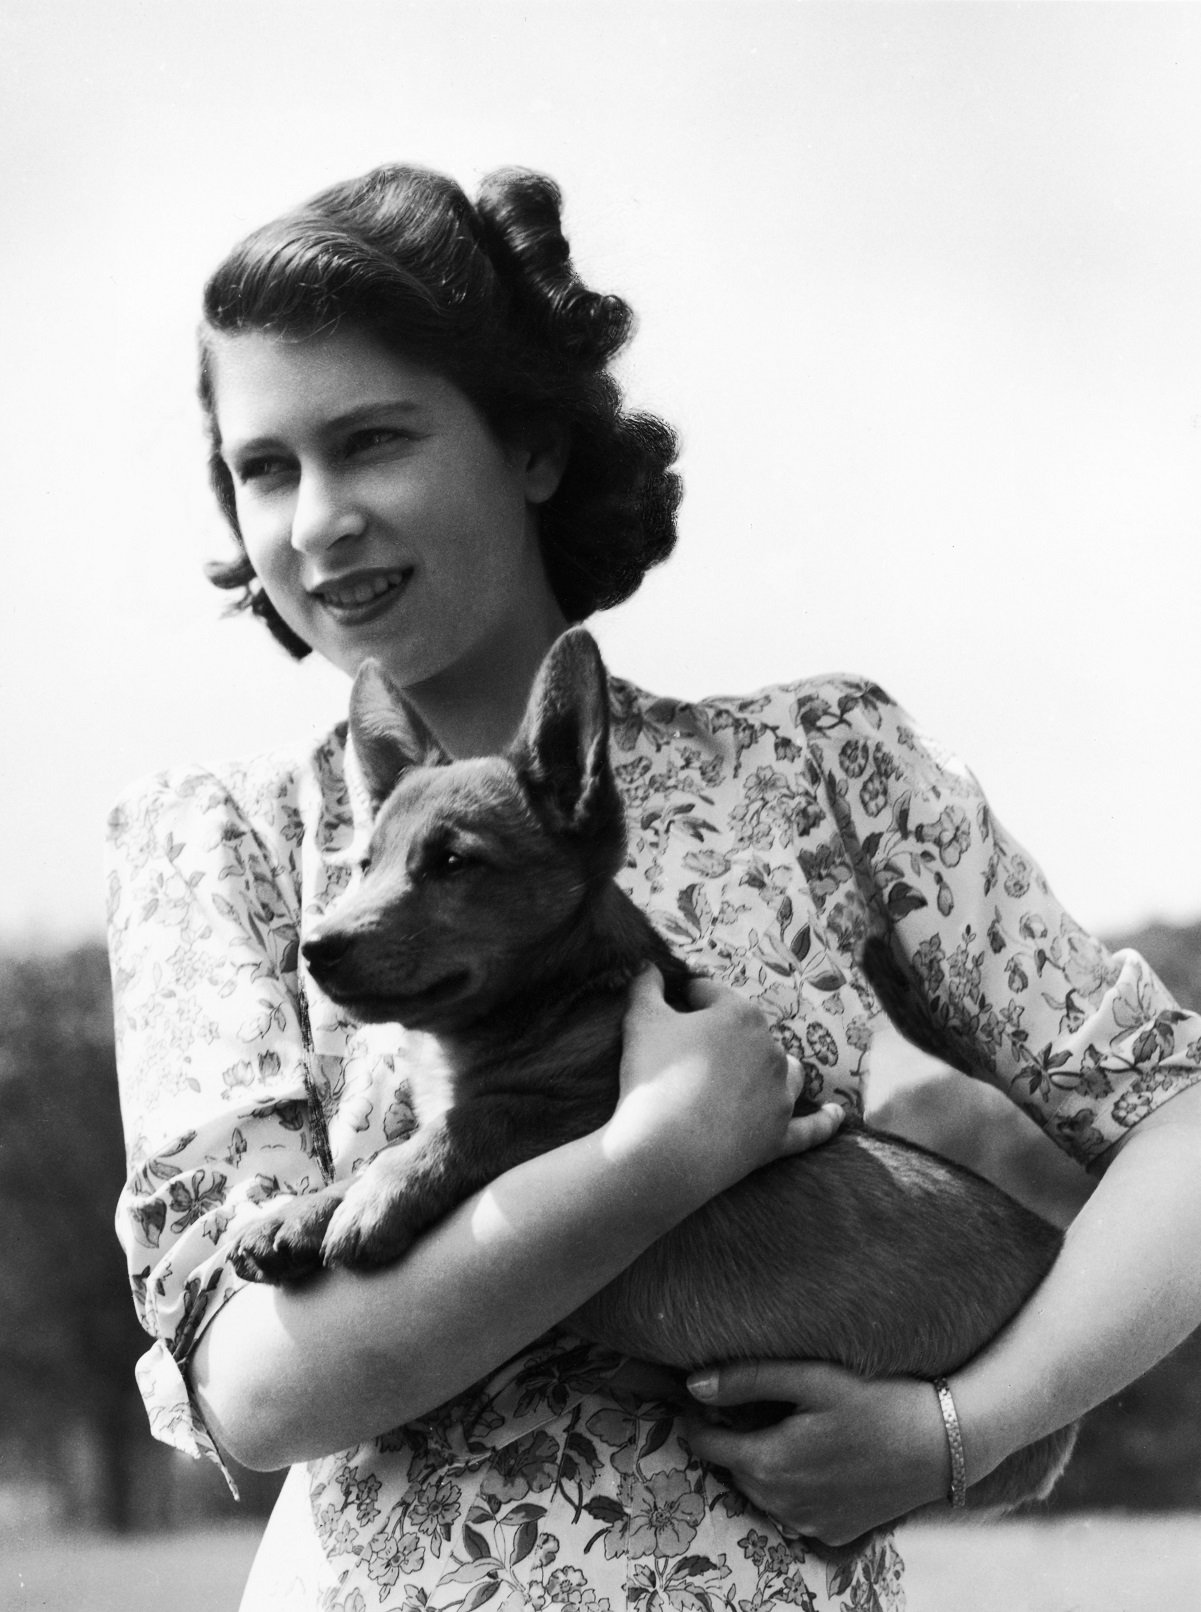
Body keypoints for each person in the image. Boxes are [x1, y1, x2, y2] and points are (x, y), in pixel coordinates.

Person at [107, 163, 1201, 1612]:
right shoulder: (226, 844)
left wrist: (960, 1432)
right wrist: (664, 1152)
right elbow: (257, 1391)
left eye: (372, 443)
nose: (318, 522)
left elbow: (1178, 1126)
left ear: (536, 447)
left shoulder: (817, 770)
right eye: (264, 469)